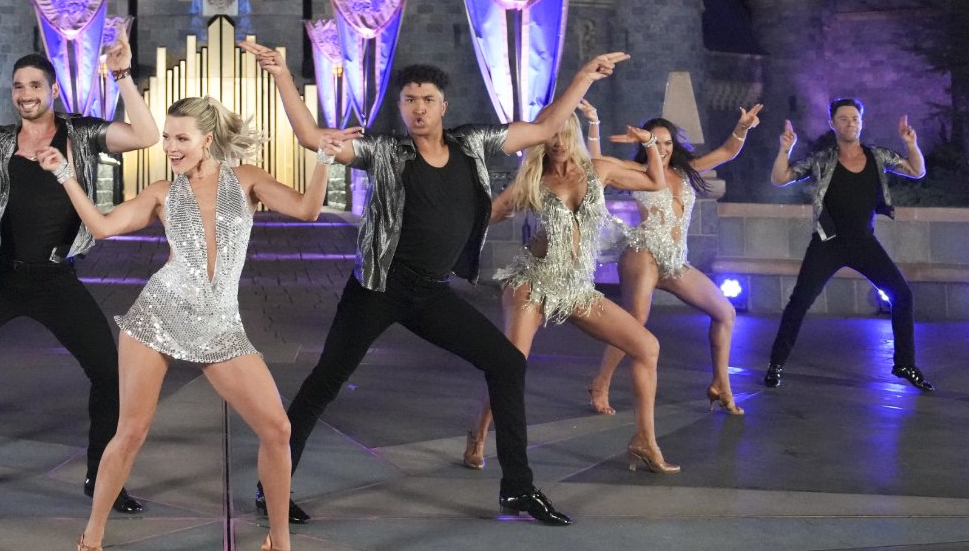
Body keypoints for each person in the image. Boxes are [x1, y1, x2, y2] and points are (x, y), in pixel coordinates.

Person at [242, 39, 635, 527]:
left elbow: (546, 126)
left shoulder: (471, 143)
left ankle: (517, 489)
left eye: (427, 100)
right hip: (377, 288)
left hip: (429, 292)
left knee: (507, 364)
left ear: (443, 106)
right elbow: (308, 136)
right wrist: (282, 73)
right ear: (401, 107)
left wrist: (583, 75)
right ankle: (271, 487)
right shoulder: (385, 150)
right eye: (410, 100)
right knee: (325, 382)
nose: (419, 108)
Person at [39, 97, 357, 551]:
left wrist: (323, 157)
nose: (170, 146)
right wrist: (64, 175)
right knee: (129, 432)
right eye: (167, 137)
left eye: (180, 138)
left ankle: (279, 542)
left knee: (278, 430)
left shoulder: (247, 180)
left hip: (219, 324)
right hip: (158, 315)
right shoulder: (161, 193)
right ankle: (91, 537)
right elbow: (103, 227)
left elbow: (307, 210)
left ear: (207, 140)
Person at [0, 36, 158, 512]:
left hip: (55, 280)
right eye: (18, 86)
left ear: (53, 90)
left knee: (107, 373)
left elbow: (145, 136)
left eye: (35, 84)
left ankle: (100, 477)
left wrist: (123, 77)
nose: (25, 93)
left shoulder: (80, 134)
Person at [466, 114, 681, 475]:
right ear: (543, 139)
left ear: (575, 135)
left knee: (647, 347)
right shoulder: (533, 179)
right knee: (511, 364)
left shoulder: (600, 169)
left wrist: (648, 144)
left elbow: (655, 181)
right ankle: (479, 430)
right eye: (552, 134)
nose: (560, 141)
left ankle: (644, 441)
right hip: (533, 280)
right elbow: (490, 213)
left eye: (566, 133)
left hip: (577, 287)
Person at [584, 104, 762, 417]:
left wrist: (743, 127)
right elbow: (597, 164)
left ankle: (721, 384)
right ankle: (601, 382)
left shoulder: (686, 170)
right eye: (656, 142)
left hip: (675, 259)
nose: (663, 148)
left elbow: (728, 151)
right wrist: (595, 123)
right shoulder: (638, 171)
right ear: (644, 143)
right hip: (643, 252)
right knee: (634, 320)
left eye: (668, 143)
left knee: (725, 311)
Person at [764, 98, 931, 390]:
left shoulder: (877, 156)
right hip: (828, 242)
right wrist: (784, 149)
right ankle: (776, 363)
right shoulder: (823, 158)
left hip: (864, 242)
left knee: (902, 295)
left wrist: (910, 144)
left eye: (854, 118)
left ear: (861, 122)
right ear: (833, 123)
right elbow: (781, 178)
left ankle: (905, 364)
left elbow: (916, 171)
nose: (849, 123)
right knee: (799, 301)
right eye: (843, 118)